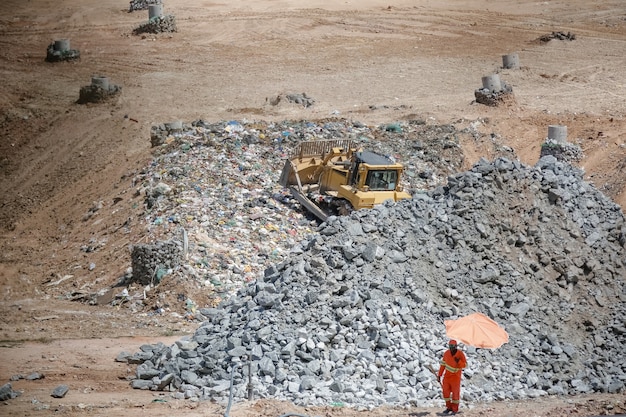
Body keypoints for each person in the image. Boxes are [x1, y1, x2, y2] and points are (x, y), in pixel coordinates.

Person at [437, 340, 467, 415]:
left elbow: (465, 365)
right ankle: (448, 407)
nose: (451, 348)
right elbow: (443, 365)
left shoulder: (460, 354)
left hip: (456, 378)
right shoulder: (446, 353)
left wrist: (459, 362)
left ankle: (454, 409)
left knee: (455, 394)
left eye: (453, 347)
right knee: (445, 393)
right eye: (450, 346)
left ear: (456, 346)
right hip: (447, 377)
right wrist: (439, 375)